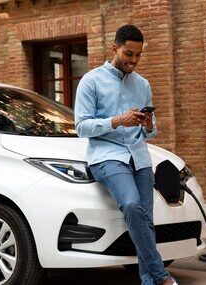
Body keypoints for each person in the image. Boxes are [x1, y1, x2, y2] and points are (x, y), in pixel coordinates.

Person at [75, 25, 178, 285]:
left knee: (146, 219)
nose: (133, 60)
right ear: (115, 48)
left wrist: (149, 125)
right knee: (132, 205)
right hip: (107, 156)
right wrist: (118, 120)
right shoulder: (91, 81)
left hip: (139, 158)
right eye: (128, 54)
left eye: (138, 55)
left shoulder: (143, 84)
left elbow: (150, 134)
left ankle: (148, 281)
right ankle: (162, 276)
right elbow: (81, 127)